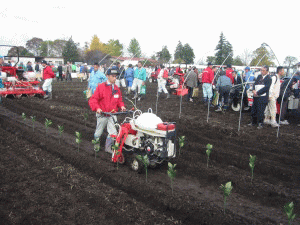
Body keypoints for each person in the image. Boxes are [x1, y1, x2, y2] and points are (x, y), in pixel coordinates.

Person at [89, 66, 126, 153]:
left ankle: (108, 148)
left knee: (113, 132)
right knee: (98, 132)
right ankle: (96, 144)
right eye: (112, 76)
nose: (114, 78)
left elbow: (119, 100)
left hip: (112, 114)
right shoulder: (101, 87)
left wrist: (122, 106)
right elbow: (93, 99)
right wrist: (97, 108)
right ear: (107, 76)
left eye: (115, 76)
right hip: (102, 114)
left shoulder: (117, 89)